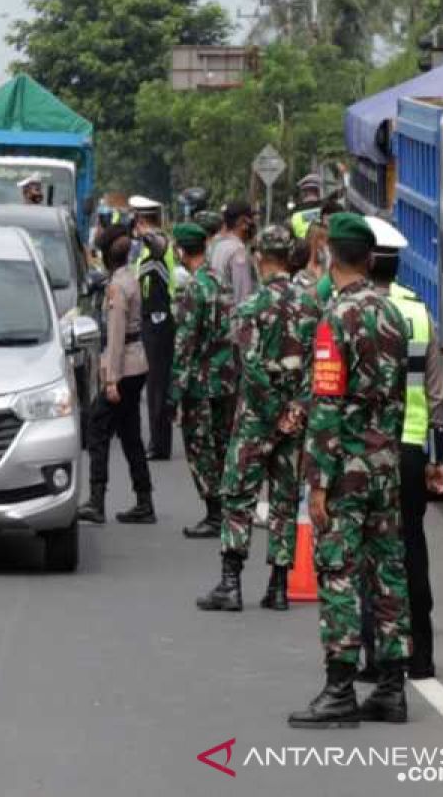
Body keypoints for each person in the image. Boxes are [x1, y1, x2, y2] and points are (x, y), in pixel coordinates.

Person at [289, 212, 410, 729]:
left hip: (346, 468)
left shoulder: (334, 318)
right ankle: (390, 688)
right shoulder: (393, 314)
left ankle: (339, 689)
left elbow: (327, 402)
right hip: (385, 464)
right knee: (386, 573)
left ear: (329, 256)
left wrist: (318, 479)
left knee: (338, 572)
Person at [198, 225, 316, 612]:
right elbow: (319, 367)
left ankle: (230, 584)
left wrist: (271, 414)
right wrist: (295, 411)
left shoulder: (250, 308)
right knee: (284, 500)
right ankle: (279, 586)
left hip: (255, 420)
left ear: (260, 257)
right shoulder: (312, 306)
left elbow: (250, 369)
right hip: (294, 423)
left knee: (238, 496)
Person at [359, 215, 443, 684]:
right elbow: (436, 395)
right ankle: (422, 656)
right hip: (411, 448)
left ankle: (377, 657)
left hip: (366, 451)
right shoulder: (418, 313)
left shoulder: (352, 311)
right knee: (412, 549)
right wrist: (436, 457)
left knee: (371, 553)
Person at [78, 224, 156, 525]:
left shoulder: (116, 288)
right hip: (136, 365)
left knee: (97, 430)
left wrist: (111, 380)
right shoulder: (129, 279)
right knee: (130, 435)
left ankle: (97, 502)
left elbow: (116, 333)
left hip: (123, 367)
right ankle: (144, 499)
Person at [169, 222, 236, 539]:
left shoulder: (195, 288)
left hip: (200, 381)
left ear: (181, 251)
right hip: (226, 379)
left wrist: (174, 392)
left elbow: (185, 344)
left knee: (199, 447)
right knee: (222, 444)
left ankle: (213, 512)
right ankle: (225, 509)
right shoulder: (220, 281)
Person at [129, 195, 179, 461]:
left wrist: (146, 234)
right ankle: (158, 441)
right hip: (151, 319)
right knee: (154, 384)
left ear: (141, 220)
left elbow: (158, 245)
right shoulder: (147, 248)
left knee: (157, 384)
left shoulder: (159, 243)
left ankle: (159, 444)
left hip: (160, 320)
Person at [210, 201, 258, 305]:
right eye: (251, 219)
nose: (253, 224)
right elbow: (243, 298)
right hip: (233, 316)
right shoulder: (238, 251)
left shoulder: (217, 245)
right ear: (243, 222)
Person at [290, 173, 325, 239]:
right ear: (318, 191)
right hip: (320, 245)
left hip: (299, 246)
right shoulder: (325, 206)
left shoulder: (296, 210)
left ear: (304, 192)